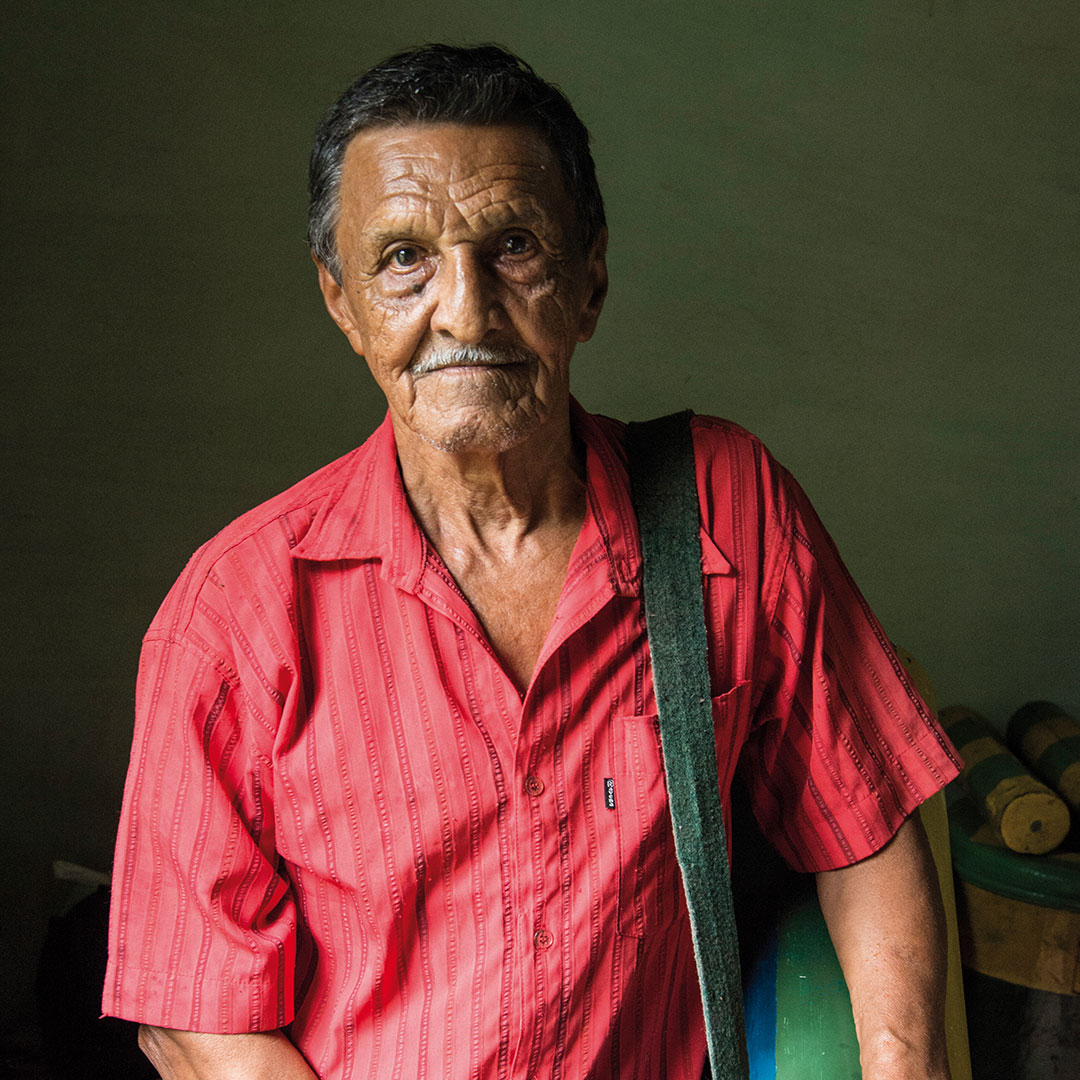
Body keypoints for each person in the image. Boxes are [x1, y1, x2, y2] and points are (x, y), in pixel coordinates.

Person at [103, 44, 961, 1080]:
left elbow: (862, 829)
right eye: (403, 259)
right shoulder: (236, 611)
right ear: (343, 303)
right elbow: (201, 1012)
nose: (464, 310)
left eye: (512, 246)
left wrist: (899, 1065)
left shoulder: (727, 511)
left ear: (589, 281)